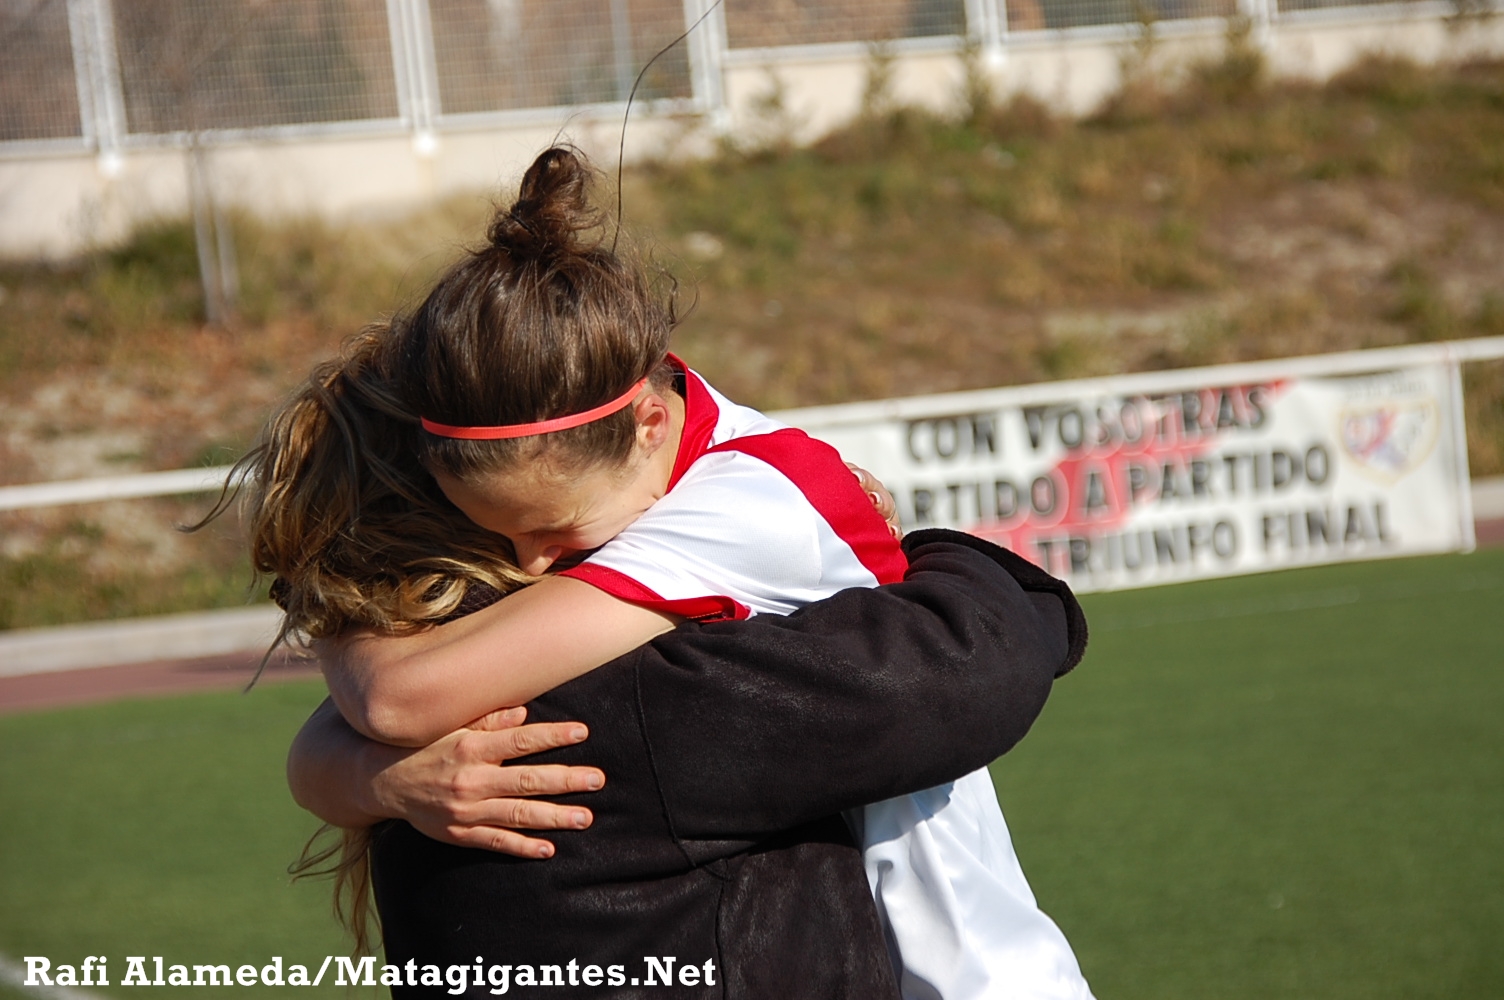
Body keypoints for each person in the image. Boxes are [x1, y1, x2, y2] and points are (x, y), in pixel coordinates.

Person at [247, 146, 1091, 996]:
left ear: (649, 424)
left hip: (961, 965)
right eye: (499, 534)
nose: (538, 563)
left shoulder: (746, 514)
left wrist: (343, 624)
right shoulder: (639, 445)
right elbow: (347, 729)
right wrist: (383, 777)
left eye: (554, 528)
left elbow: (397, 698)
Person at [286, 528, 1089, 998]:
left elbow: (356, 717)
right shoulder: (653, 698)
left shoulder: (421, 718)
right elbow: (976, 665)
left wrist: (360, 775)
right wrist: (922, 551)